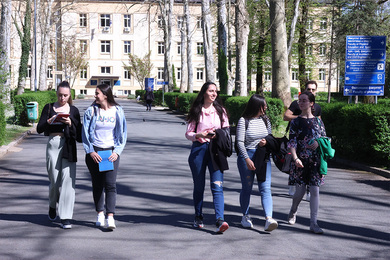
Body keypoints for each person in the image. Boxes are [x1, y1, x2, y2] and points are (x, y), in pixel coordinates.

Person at [185, 82, 230, 234]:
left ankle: (220, 220)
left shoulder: (220, 111)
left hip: (216, 150)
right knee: (199, 186)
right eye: (211, 91)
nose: (214, 94)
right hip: (199, 150)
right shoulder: (197, 111)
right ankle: (198, 216)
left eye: (215, 91)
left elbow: (226, 131)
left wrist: (217, 134)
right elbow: (188, 133)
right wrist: (199, 135)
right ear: (204, 92)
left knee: (217, 186)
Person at [37, 81, 82, 229]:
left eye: (65, 95)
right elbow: (39, 129)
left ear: (69, 95)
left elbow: (79, 135)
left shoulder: (74, 110)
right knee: (55, 181)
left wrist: (70, 123)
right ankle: (52, 205)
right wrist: (49, 122)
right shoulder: (49, 107)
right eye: (60, 95)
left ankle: (66, 217)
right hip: (53, 144)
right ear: (56, 93)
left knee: (68, 181)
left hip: (68, 145)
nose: (62, 98)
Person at [82, 84, 127, 230]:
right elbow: (85, 133)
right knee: (97, 184)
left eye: (97, 93)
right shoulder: (91, 111)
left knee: (111, 185)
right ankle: (100, 214)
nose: (95, 96)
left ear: (105, 95)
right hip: (95, 152)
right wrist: (90, 151)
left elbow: (123, 133)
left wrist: (117, 151)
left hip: (110, 153)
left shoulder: (118, 111)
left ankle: (110, 217)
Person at [236, 94, 278, 232]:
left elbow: (270, 137)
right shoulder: (244, 120)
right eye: (263, 105)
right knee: (247, 188)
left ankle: (268, 219)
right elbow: (239, 142)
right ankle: (245, 216)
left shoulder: (265, 120)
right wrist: (247, 158)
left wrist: (266, 142)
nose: (266, 107)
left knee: (265, 188)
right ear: (257, 105)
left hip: (263, 157)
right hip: (247, 156)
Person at [287, 91, 327, 234]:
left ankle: (313, 223)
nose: (301, 103)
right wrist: (295, 157)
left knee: (315, 190)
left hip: (316, 161)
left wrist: (319, 142)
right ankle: (293, 210)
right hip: (301, 160)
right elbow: (292, 142)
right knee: (300, 191)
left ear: (311, 103)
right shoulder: (296, 121)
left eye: (304, 100)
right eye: (300, 100)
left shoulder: (318, 121)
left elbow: (325, 139)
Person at [283, 80, 322, 199]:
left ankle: (309, 191)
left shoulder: (318, 107)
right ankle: (293, 184)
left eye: (313, 90)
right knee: (294, 162)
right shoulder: (296, 104)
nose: (311, 91)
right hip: (297, 139)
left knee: (311, 167)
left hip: (310, 143)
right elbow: (286, 116)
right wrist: (301, 118)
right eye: (308, 89)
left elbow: (319, 125)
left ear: (316, 91)